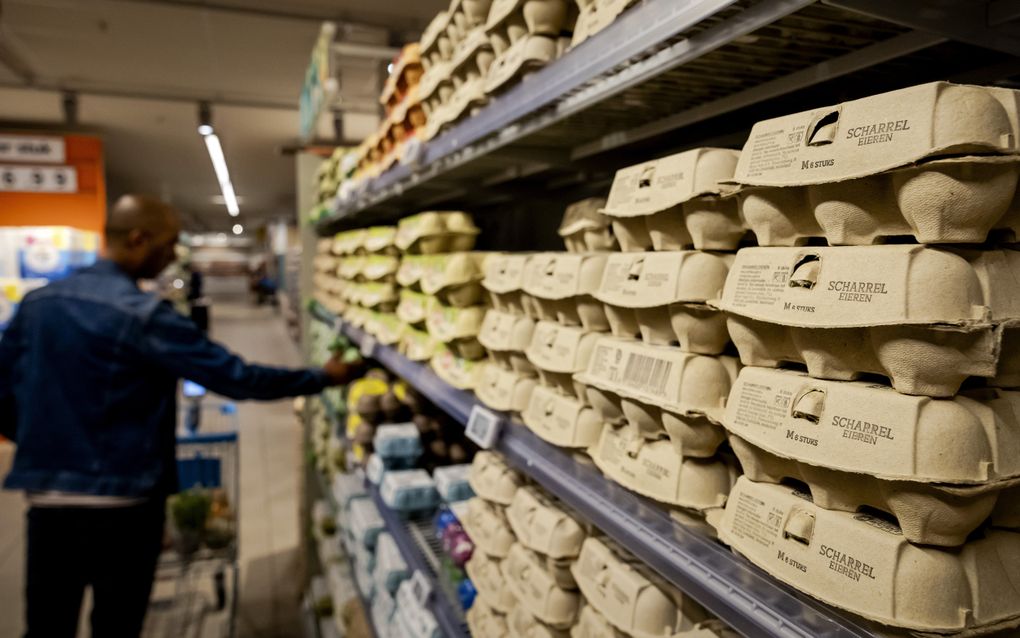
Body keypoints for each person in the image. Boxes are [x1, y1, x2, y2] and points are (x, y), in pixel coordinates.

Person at [0, 195, 360, 638]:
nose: (173, 256)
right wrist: (321, 376)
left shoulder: (38, 304)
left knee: (47, 624)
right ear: (138, 239)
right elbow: (236, 377)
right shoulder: (144, 315)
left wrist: (40, 444)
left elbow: (3, 392)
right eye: (169, 245)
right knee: (117, 623)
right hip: (126, 504)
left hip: (49, 503)